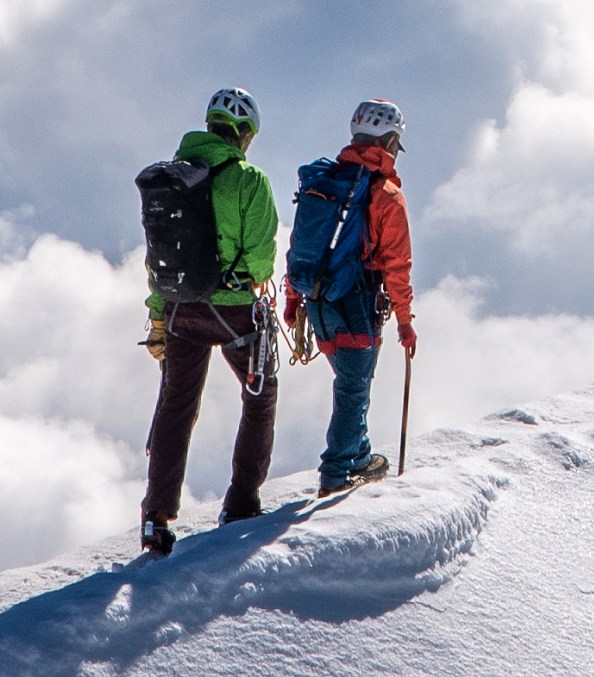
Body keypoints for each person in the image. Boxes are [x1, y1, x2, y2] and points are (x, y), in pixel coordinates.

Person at [135, 84, 282, 554]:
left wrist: (158, 319)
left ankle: (155, 517)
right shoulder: (249, 180)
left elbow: (158, 260)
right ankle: (241, 500)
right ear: (243, 134)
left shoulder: (174, 177)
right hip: (234, 310)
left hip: (179, 309)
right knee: (260, 393)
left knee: (177, 405)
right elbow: (260, 260)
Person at [284, 97, 418, 495]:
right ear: (390, 140)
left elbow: (300, 247)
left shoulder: (323, 183)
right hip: (357, 301)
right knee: (354, 387)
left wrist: (292, 299)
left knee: (350, 381)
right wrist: (407, 321)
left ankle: (359, 453)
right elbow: (397, 264)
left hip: (317, 302)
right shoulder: (385, 194)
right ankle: (339, 470)